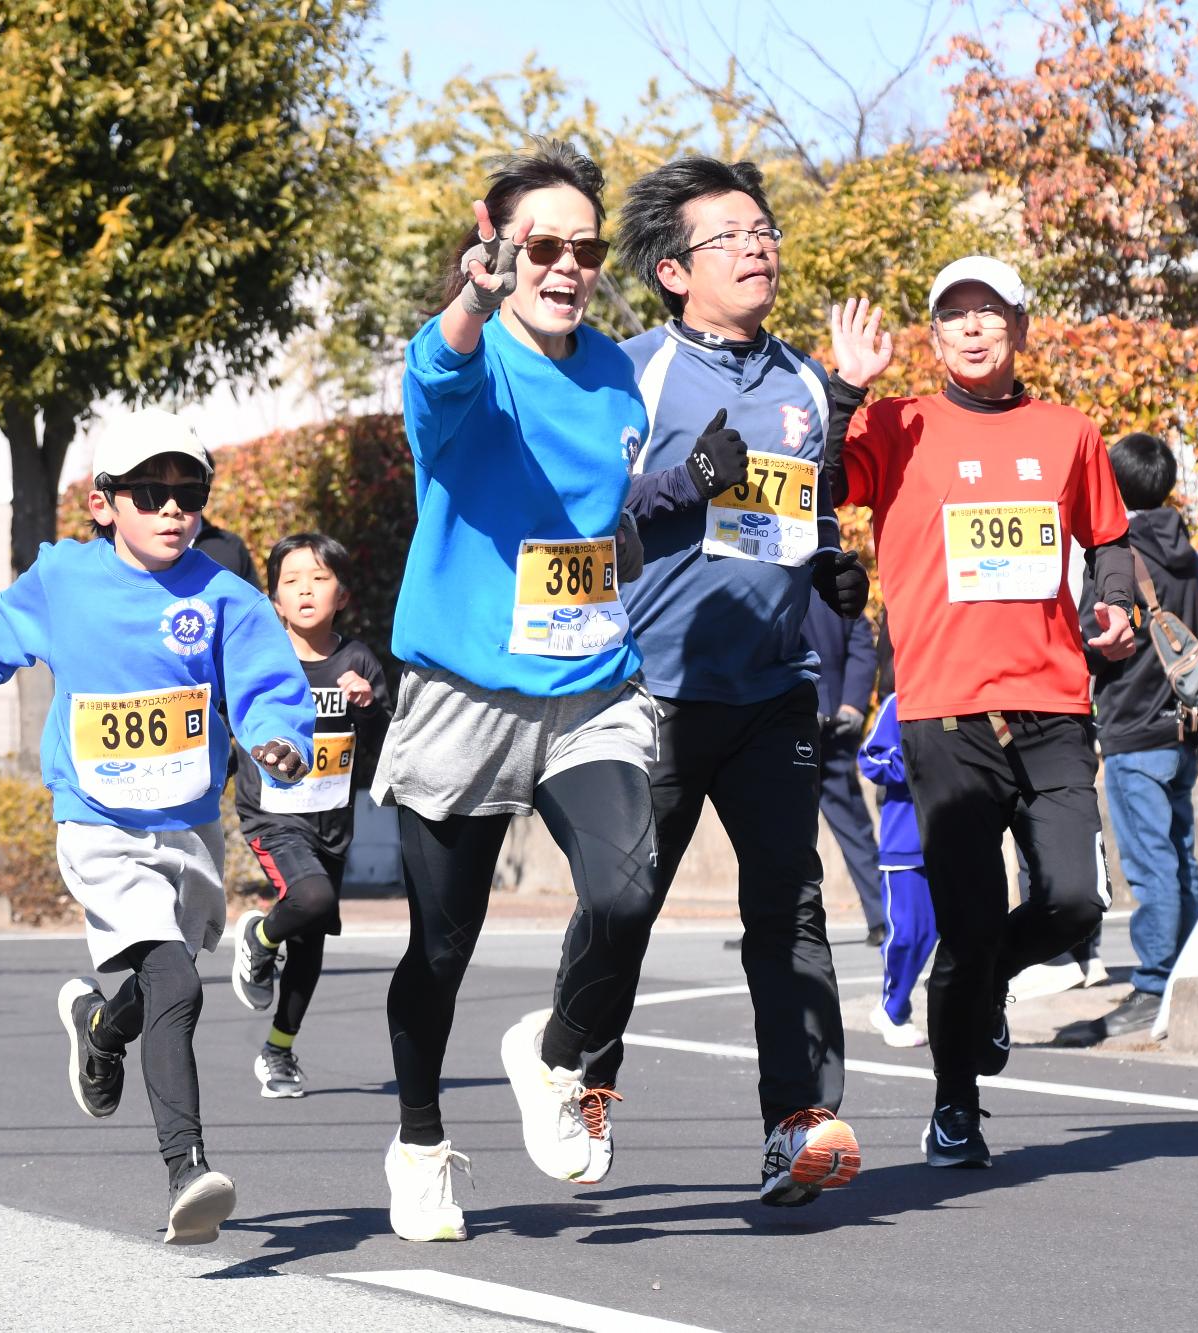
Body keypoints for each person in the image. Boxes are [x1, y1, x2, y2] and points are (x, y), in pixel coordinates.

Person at [0, 408, 314, 1242]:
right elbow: (1, 629)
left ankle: (98, 1031)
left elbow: (266, 686)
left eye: (191, 493)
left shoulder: (224, 594)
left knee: (162, 974)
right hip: (97, 821)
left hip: (186, 825)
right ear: (106, 503)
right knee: (177, 982)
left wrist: (280, 738)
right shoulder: (65, 578)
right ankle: (189, 1172)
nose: (175, 509)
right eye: (152, 492)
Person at [372, 139, 658, 1243]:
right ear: (493, 248)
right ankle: (418, 1143)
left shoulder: (614, 372)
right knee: (440, 951)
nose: (565, 265)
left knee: (626, 893)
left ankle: (550, 1056)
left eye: (581, 250)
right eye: (540, 245)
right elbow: (437, 385)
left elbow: (602, 528)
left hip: (590, 683)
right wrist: (464, 304)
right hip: (465, 694)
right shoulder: (465, 357)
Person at [573, 155, 866, 1207]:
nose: (756, 248)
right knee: (624, 905)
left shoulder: (800, 384)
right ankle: (584, 1079)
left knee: (787, 910)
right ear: (668, 269)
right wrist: (682, 483)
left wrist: (831, 565)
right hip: (649, 687)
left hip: (774, 688)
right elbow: (587, 522)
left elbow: (803, 514)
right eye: (729, 237)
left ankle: (796, 1121)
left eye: (764, 231)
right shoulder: (626, 374)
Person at [833, 256, 1139, 1167]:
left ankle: (983, 987)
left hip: (1051, 702)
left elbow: (1110, 538)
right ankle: (955, 1103)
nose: (972, 328)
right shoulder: (897, 425)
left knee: (1075, 903)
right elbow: (814, 481)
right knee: (968, 923)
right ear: (933, 338)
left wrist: (1113, 600)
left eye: (990, 314)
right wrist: (844, 386)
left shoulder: (1068, 432)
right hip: (943, 713)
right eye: (953, 316)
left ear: (1020, 329)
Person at [1061, 433, 1198, 1044]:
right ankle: (1186, 976)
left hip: (1132, 728)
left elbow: (1089, 641)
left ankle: (1153, 986)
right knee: (1182, 859)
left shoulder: (1117, 556)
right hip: (1184, 728)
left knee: (1152, 867)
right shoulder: (1189, 555)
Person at [229, 532, 392, 1098]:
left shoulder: (358, 661)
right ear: (274, 600)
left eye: (319, 579)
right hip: (273, 815)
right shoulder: (260, 657)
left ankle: (279, 1051)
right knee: (313, 899)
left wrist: (368, 702)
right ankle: (260, 937)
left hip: (331, 821)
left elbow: (383, 737)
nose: (304, 590)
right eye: (291, 581)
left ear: (342, 596)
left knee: (313, 945)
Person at [856, 689, 937, 1047]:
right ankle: (892, 1010)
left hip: (962, 837)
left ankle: (969, 1013)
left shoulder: (975, 697)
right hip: (907, 843)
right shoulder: (900, 701)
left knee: (966, 933)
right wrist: (919, 759)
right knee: (909, 933)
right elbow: (870, 758)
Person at [808, 603, 888, 945]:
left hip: (808, 723)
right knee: (853, 825)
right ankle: (883, 916)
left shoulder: (764, 569)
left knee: (770, 830)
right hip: (830, 719)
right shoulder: (830, 577)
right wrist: (852, 704)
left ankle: (772, 919)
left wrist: (852, 704)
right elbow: (861, 644)